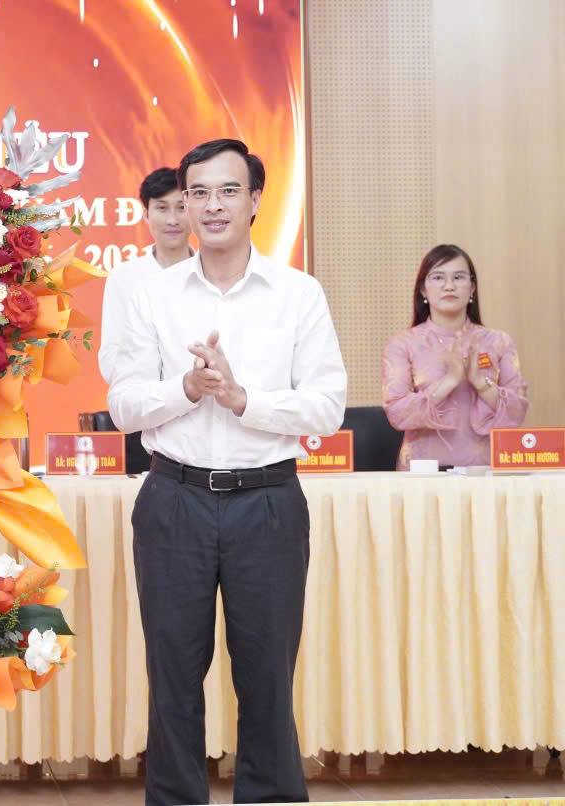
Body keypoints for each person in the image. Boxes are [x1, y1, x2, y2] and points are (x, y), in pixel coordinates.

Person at [105, 139, 346, 806]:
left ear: (256, 200)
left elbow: (327, 405)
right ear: (183, 204)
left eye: (228, 191)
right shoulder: (152, 295)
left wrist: (244, 400)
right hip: (174, 497)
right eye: (199, 193)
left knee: (267, 677)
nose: (212, 206)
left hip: (267, 502)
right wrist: (186, 388)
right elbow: (124, 403)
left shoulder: (297, 293)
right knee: (173, 677)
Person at [382, 244, 528, 469]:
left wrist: (480, 383)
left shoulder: (499, 342)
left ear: (472, 288)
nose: (449, 286)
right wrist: (449, 382)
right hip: (423, 471)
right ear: (423, 290)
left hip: (485, 470)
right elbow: (397, 413)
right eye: (438, 277)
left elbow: (517, 412)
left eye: (458, 277)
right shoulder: (402, 344)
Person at [98, 166, 193, 385]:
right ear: (147, 214)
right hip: (143, 398)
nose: (172, 220)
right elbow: (111, 359)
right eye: (162, 208)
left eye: (181, 208)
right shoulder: (123, 278)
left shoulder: (211, 272)